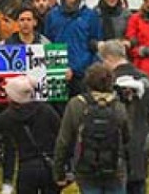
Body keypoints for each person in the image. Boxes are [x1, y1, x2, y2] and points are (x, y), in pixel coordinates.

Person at [0, 74, 62, 194]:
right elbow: (61, 133)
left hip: (26, 167)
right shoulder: (46, 109)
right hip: (49, 164)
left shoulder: (10, 116)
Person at [53, 63, 130, 194]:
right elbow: (127, 139)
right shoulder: (119, 107)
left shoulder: (76, 105)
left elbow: (63, 142)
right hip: (114, 170)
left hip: (85, 169)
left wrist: (59, 172)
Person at [99, 40, 149, 194]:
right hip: (141, 141)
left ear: (108, 58)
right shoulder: (145, 78)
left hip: (114, 146)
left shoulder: (107, 82)